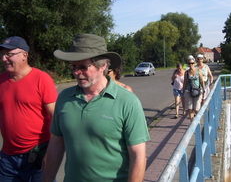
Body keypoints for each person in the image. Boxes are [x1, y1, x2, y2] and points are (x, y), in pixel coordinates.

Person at [42, 34, 150, 182]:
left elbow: (138, 156)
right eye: (74, 66)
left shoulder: (127, 101)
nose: (76, 72)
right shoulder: (64, 98)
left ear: (103, 66)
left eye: (83, 67)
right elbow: (56, 143)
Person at [0, 36, 58, 182]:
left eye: (9, 54)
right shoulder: (1, 80)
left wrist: (49, 154)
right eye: (2, 54)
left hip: (36, 156)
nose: (4, 58)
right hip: (7, 158)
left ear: (24, 55)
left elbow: (56, 118)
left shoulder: (41, 79)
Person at [182, 55, 206, 121]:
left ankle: (197, 121)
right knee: (190, 109)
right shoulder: (186, 72)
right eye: (189, 63)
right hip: (188, 91)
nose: (190, 65)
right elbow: (185, 82)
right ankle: (192, 124)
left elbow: (201, 81)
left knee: (196, 109)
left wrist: (204, 90)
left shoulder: (198, 71)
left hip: (197, 91)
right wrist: (183, 92)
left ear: (194, 63)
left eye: (192, 63)